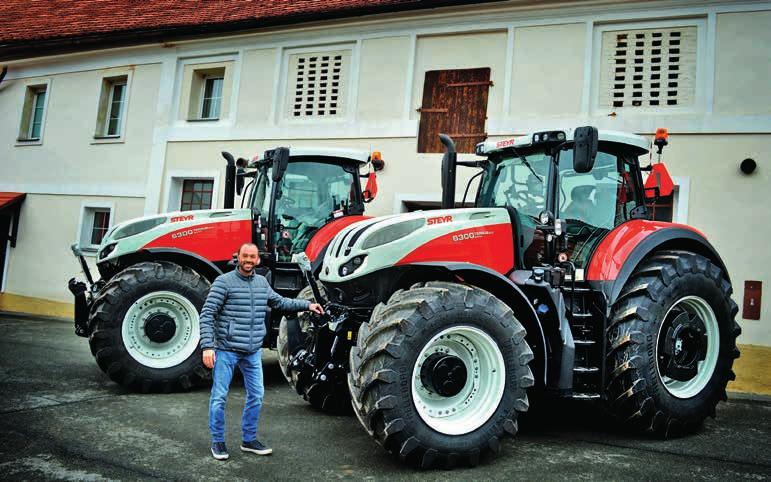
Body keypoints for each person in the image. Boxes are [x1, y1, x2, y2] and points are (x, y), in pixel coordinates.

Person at [199, 242, 324, 460]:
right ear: (237, 257)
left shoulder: (261, 282)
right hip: (226, 349)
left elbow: (279, 301)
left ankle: (248, 440)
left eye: (252, 257)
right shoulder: (223, 282)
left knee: (256, 396)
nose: (248, 260)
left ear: (257, 260)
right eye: (244, 256)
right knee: (219, 397)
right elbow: (207, 314)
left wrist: (307, 305)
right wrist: (208, 346)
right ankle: (218, 441)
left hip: (252, 351)